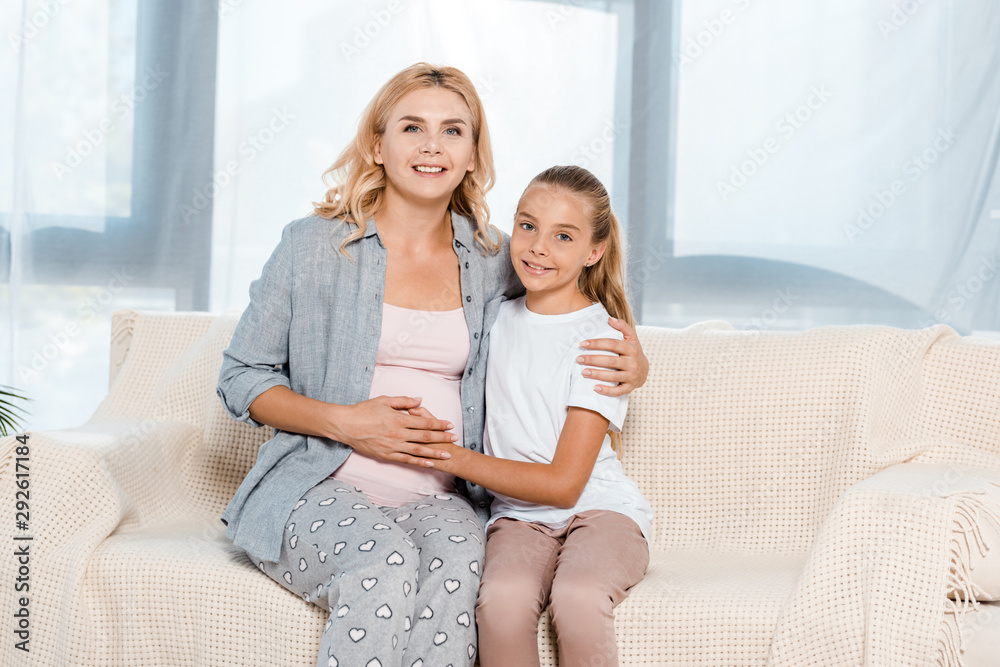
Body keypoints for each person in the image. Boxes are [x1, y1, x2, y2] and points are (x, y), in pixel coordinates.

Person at [215, 63, 649, 667]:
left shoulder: (498, 257)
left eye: (453, 131)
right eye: (412, 127)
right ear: (377, 143)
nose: (431, 146)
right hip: (322, 481)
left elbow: (566, 309)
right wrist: (347, 422)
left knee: (461, 576)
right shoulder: (312, 247)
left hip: (444, 497)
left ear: (473, 153)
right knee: (384, 565)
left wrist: (635, 358)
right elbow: (241, 377)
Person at [409, 165, 653, 667]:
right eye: (527, 226)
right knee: (500, 604)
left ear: (594, 252)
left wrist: (447, 456)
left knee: (579, 598)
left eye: (563, 236)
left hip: (599, 511)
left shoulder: (600, 343)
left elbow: (564, 486)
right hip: (518, 517)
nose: (539, 246)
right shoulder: (493, 317)